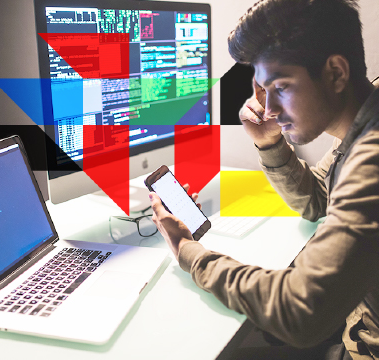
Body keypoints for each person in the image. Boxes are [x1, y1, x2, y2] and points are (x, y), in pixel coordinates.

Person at [149, 0, 379, 359]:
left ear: (336, 73)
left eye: (281, 87)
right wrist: (270, 140)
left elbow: (302, 312)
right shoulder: (366, 112)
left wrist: (188, 252)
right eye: (264, 90)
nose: (268, 108)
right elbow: (319, 199)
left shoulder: (373, 157)